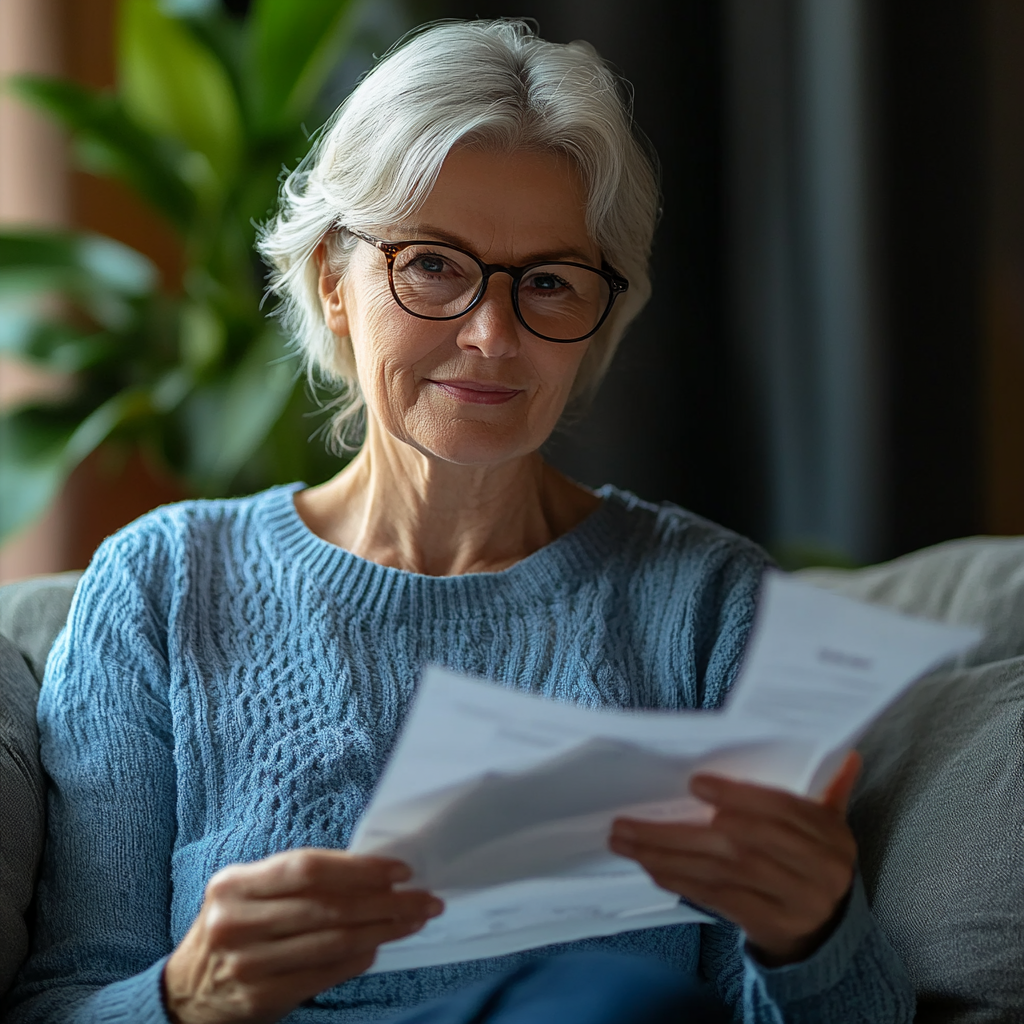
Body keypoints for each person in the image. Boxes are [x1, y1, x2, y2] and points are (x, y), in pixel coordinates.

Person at [2, 19, 914, 1024]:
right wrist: (186, 994)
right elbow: (60, 1002)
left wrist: (811, 933)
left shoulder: (710, 606)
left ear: (598, 321)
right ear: (332, 283)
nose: (491, 334)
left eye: (550, 283)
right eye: (432, 265)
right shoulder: (162, 582)